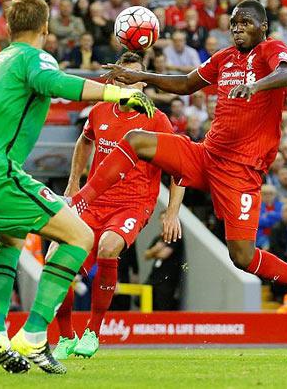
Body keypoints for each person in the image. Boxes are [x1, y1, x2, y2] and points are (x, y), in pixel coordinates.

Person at [70, 0, 287, 336]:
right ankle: (83, 199)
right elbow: (186, 84)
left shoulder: (270, 50)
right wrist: (138, 75)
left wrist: (256, 86)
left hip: (241, 172)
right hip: (206, 156)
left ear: (263, 27)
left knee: (242, 256)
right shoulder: (224, 59)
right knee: (136, 139)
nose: (237, 28)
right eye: (233, 23)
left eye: (245, 22)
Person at [0, 0, 155, 374]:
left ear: (7, 27)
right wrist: (119, 92)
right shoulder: (32, 57)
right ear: (45, 27)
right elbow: (56, 83)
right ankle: (35, 333)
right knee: (80, 237)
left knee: (11, 239)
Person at [52, 52, 184, 359]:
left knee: (109, 247)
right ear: (113, 82)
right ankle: (66, 336)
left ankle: (93, 332)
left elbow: (180, 167)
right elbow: (85, 141)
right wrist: (73, 185)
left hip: (133, 203)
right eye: (126, 78)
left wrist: (172, 211)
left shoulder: (157, 120)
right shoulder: (99, 112)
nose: (133, 85)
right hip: (94, 201)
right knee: (57, 262)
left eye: (138, 79)